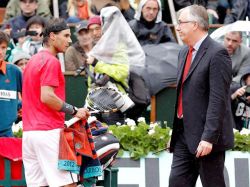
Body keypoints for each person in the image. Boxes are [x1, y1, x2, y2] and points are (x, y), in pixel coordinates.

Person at [168, 5, 234, 187]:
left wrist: (208, 138)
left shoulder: (217, 53)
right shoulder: (183, 52)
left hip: (207, 140)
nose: (178, 27)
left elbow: (218, 99)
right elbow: (184, 96)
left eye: (181, 22)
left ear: (195, 25)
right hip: (183, 136)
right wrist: (175, 131)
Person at [22, 18, 90, 187]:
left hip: (30, 135)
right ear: (52, 36)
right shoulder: (51, 61)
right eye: (66, 35)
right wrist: (74, 111)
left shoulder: (32, 61)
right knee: (67, 184)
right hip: (48, 133)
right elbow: (47, 97)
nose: (70, 40)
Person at [87, 6, 145, 124]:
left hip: (114, 102)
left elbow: (121, 73)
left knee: (113, 139)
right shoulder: (95, 50)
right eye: (91, 30)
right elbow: (91, 79)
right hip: (95, 102)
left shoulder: (118, 47)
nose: (95, 33)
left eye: (98, 28)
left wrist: (96, 63)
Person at [0, 31, 22, 137]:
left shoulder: (14, 71)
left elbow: (29, 98)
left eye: (3, 48)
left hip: (8, 134)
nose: (0, 52)